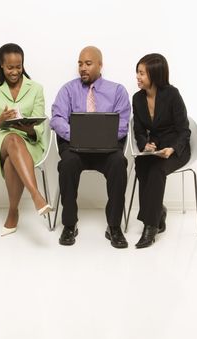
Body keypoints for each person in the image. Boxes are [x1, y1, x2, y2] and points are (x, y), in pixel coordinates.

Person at [50, 46, 131, 247]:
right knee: (67, 164)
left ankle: (114, 226)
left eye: (88, 63)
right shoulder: (68, 89)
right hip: (75, 147)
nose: (83, 68)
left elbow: (123, 125)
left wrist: (101, 137)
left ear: (100, 65)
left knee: (119, 163)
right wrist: (78, 136)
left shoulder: (117, 91)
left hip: (107, 149)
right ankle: (69, 225)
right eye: (80, 64)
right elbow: (57, 118)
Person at [0, 43, 52, 236]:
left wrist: (30, 129)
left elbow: (40, 124)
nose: (15, 71)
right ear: (1, 66)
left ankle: (13, 211)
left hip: (29, 141)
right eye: (10, 67)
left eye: (18, 66)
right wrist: (0, 119)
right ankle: (36, 195)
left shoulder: (36, 88)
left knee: (12, 158)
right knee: (12, 139)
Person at [133, 53, 191, 248]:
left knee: (157, 170)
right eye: (137, 72)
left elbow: (184, 130)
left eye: (142, 73)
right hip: (156, 147)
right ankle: (158, 211)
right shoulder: (138, 98)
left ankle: (151, 226)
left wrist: (172, 149)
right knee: (141, 163)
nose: (138, 77)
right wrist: (145, 145)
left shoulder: (172, 94)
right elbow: (139, 130)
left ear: (155, 74)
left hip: (177, 148)